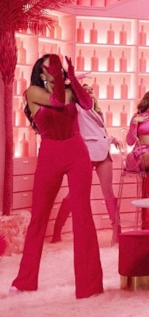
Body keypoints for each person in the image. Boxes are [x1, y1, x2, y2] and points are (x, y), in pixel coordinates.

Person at [10, 54, 103, 299]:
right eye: (49, 68)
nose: (54, 70)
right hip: (50, 153)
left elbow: (88, 105)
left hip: (76, 151)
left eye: (57, 67)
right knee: (39, 217)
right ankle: (25, 281)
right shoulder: (33, 92)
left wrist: (72, 76)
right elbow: (58, 101)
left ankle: (90, 285)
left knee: (83, 215)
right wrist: (62, 79)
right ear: (41, 74)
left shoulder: (71, 90)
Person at [51, 82, 121, 244]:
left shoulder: (98, 112)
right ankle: (57, 229)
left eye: (91, 91)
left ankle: (117, 230)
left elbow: (101, 134)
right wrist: (70, 81)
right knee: (74, 193)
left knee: (109, 193)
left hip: (102, 151)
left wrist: (112, 138)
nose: (89, 93)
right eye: (85, 91)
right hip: (84, 153)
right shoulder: (75, 109)